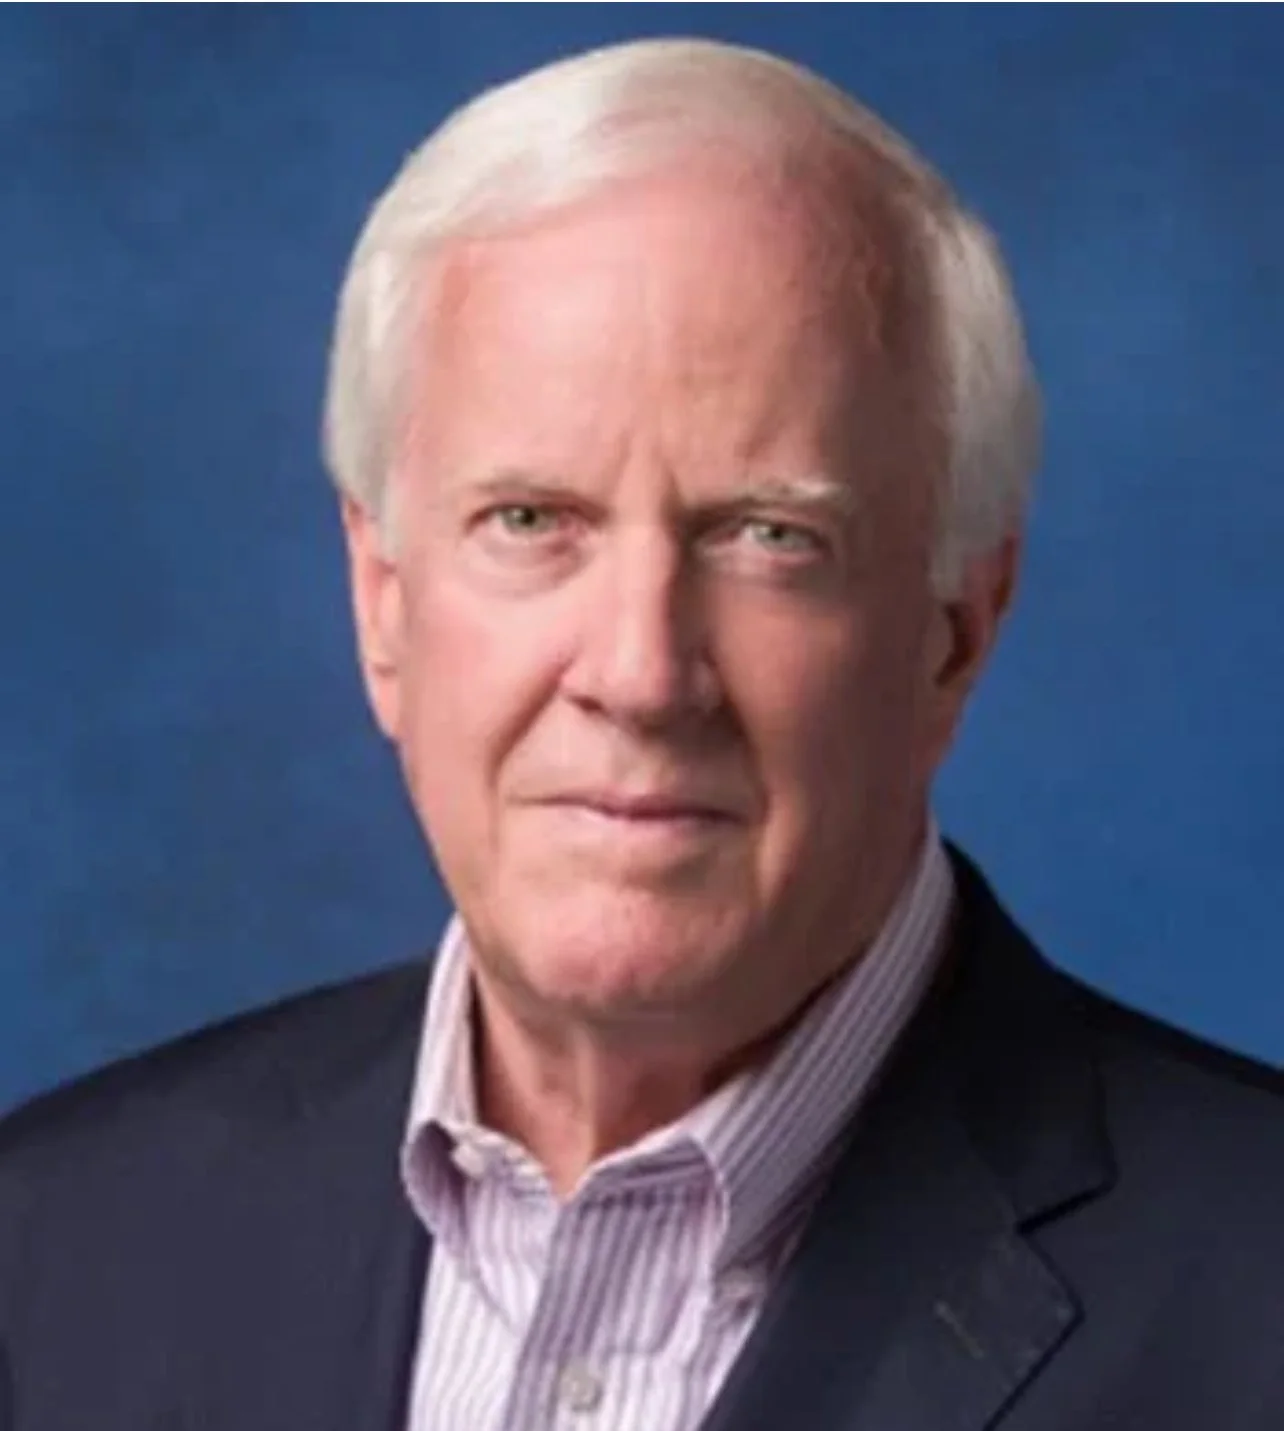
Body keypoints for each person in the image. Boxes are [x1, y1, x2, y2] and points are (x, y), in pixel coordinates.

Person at [1, 36, 1281, 1431]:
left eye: (769, 536)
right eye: (531, 520)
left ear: (954, 628)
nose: (640, 671)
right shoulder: (51, 1253)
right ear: (383, 602)